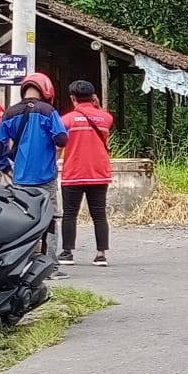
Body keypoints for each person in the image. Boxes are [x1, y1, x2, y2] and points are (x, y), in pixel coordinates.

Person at [0, 72, 69, 280]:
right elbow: (62, 139)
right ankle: (50, 267)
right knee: (50, 220)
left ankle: (21, 265)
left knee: (23, 222)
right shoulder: (49, 111)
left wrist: (4, 167)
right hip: (46, 178)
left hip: (20, 179)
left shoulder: (10, 112)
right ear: (46, 90)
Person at [57, 80, 113, 267]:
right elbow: (104, 118)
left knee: (70, 214)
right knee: (99, 214)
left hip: (74, 173)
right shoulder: (106, 118)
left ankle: (67, 253)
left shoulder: (67, 120)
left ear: (73, 98)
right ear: (93, 97)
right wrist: (97, 106)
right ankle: (101, 255)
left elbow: (58, 144)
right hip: (99, 173)